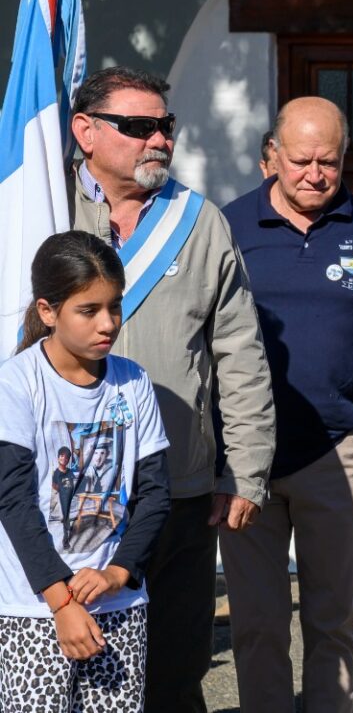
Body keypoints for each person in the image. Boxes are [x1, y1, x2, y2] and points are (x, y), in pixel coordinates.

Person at [69, 67, 274, 711]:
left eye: (165, 126)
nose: (158, 139)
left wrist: (245, 469)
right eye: (138, 126)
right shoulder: (39, 207)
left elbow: (239, 352)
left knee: (175, 674)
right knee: (75, 676)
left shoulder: (199, 221)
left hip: (177, 491)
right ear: (86, 132)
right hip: (66, 494)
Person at [221, 96, 353, 713]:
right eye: (301, 160)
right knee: (257, 620)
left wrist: (352, 396)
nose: (314, 174)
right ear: (272, 156)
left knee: (334, 616)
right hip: (244, 458)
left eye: (328, 162)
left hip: (336, 453)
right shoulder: (227, 228)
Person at [0, 231, 170, 710]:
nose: (108, 323)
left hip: (119, 606)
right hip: (34, 609)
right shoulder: (16, 383)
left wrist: (118, 572)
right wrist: (61, 601)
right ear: (48, 311)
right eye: (89, 310)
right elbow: (13, 502)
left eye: (114, 306)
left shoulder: (133, 382)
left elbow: (155, 494)